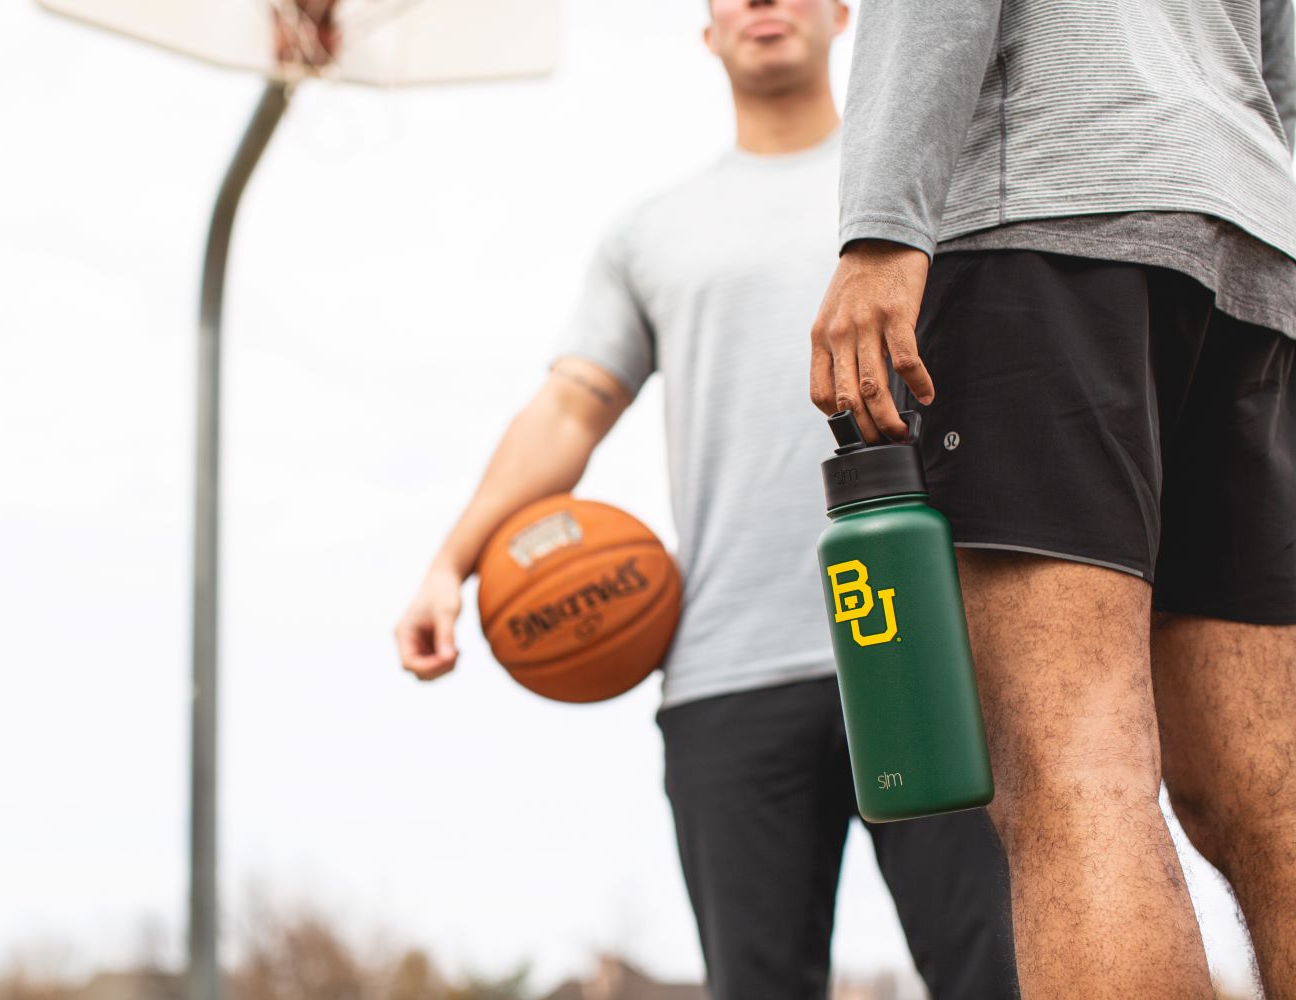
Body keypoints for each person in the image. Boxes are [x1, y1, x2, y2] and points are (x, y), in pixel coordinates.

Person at [395, 2, 1019, 997]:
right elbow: (569, 408)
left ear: (843, 17)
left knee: (1001, 975)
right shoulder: (654, 232)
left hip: (925, 649)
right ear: (707, 31)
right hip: (730, 670)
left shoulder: (919, 186)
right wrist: (449, 562)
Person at [808, 1, 1296, 998]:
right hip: (1248, 244)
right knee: (1272, 807)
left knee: (1077, 779)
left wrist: (880, 230)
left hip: (1048, 213)